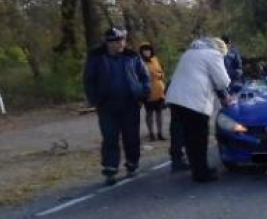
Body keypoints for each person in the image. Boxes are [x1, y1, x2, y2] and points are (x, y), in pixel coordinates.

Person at [84, 27, 151, 186]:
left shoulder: (132, 56)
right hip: (107, 105)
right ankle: (110, 169)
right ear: (108, 43)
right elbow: (89, 80)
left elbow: (144, 76)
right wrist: (95, 100)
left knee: (131, 137)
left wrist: (143, 94)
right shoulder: (96, 57)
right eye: (116, 41)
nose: (120, 43)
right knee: (110, 138)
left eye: (122, 40)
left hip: (130, 104)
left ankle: (132, 164)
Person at [165, 38, 232, 183]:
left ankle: (196, 170)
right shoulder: (213, 54)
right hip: (194, 102)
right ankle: (202, 173)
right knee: (199, 139)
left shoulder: (189, 53)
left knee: (189, 139)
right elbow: (223, 81)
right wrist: (225, 94)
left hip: (177, 99)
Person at [138, 43, 166, 141]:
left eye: (148, 50)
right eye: (145, 50)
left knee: (159, 113)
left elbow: (161, 71)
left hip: (159, 91)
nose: (147, 52)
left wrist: (161, 75)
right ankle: (151, 133)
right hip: (148, 92)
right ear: (141, 52)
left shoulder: (155, 59)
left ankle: (160, 133)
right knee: (149, 113)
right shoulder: (140, 62)